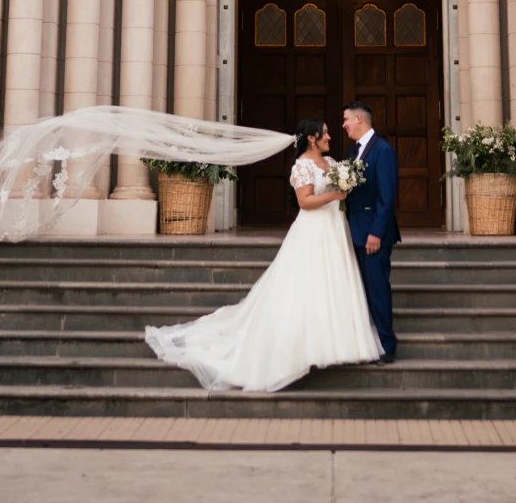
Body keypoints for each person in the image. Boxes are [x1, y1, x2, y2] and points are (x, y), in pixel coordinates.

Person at [144, 120, 383, 392]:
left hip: (334, 230)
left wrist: (343, 191)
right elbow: (304, 202)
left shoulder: (331, 161)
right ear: (312, 139)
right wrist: (334, 195)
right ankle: (306, 347)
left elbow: (339, 190)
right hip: (313, 231)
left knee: (335, 282)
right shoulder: (302, 165)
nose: (330, 136)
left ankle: (340, 343)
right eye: (325, 132)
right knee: (308, 285)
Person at [342, 100, 400, 361]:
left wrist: (376, 233)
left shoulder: (382, 150)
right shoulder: (353, 152)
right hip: (355, 231)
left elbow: (387, 197)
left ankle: (387, 346)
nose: (343, 125)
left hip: (373, 235)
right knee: (362, 290)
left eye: (346, 120)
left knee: (377, 289)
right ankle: (368, 343)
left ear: (358, 120)